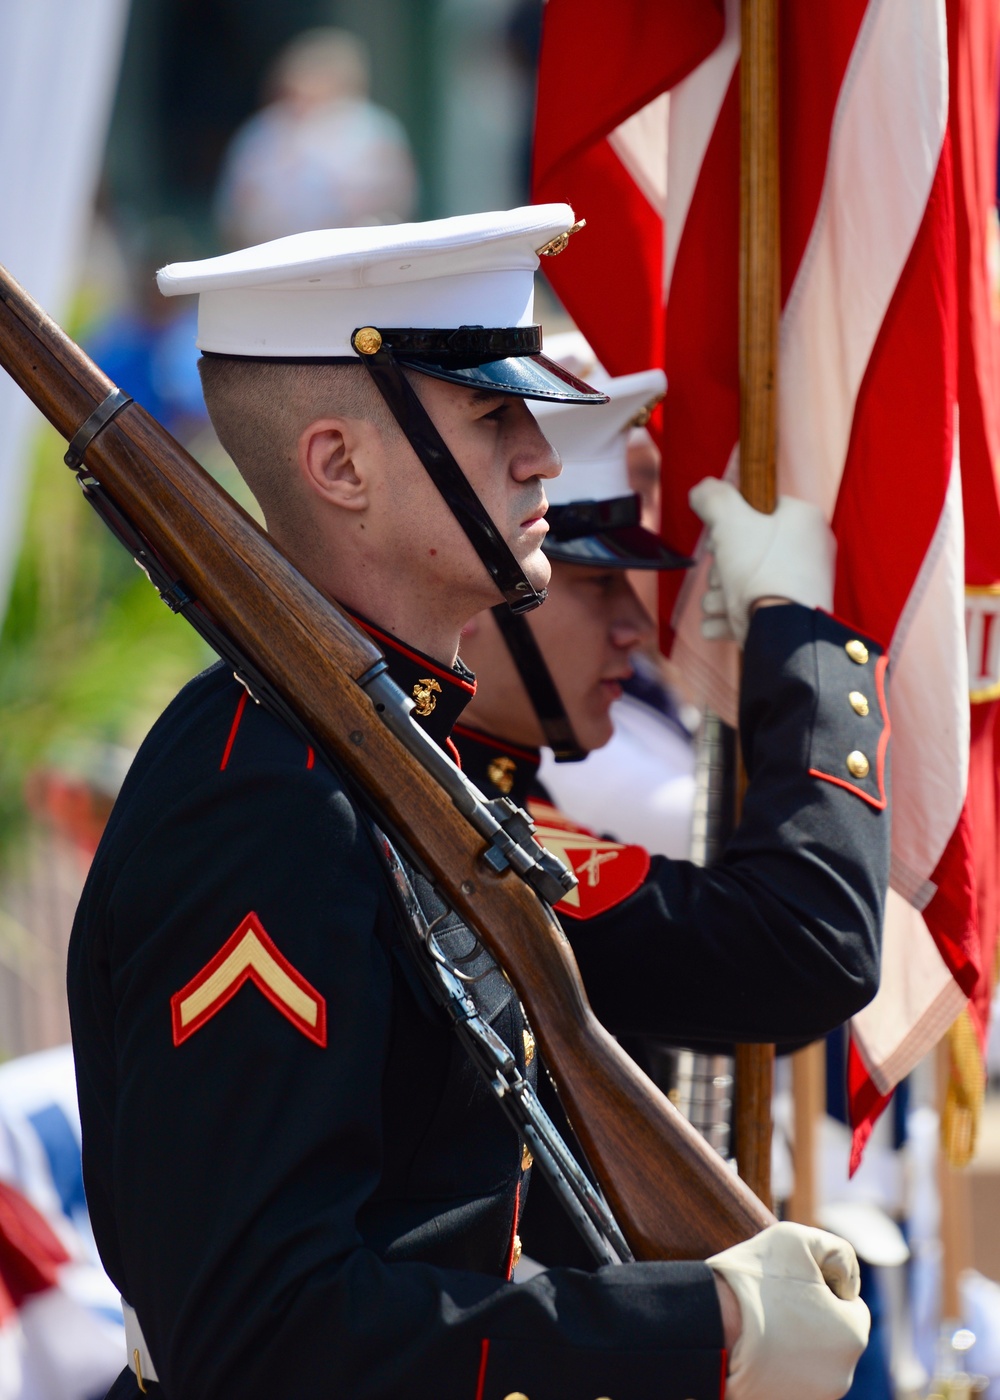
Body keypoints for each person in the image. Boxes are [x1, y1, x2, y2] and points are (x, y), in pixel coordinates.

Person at [68, 206, 870, 1400]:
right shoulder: (264, 797)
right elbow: (259, 1337)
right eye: (493, 414)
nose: (542, 453)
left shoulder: (376, 751)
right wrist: (703, 1321)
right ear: (339, 465)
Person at [455, 361, 888, 1050]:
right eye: (598, 587)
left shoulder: (482, 800)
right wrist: (805, 645)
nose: (634, 626)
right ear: (477, 590)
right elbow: (809, 951)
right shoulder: (450, 826)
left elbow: (770, 983)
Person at [213, 28, 418, 249]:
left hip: (352, 261)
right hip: (271, 263)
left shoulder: (371, 130)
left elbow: (391, 206)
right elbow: (232, 214)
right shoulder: (262, 133)